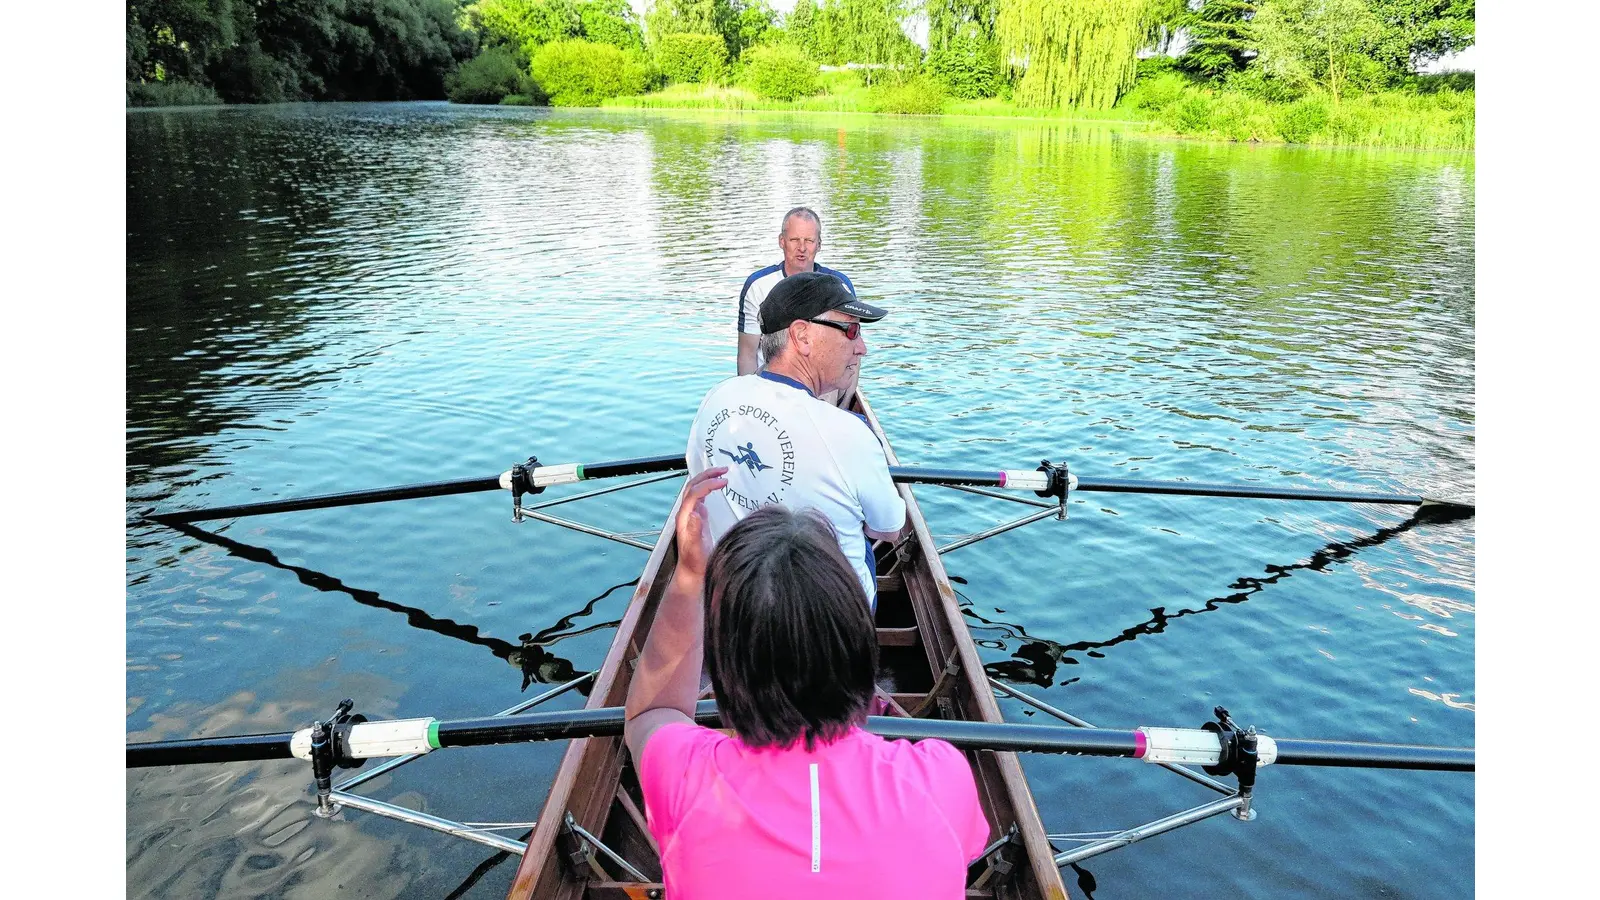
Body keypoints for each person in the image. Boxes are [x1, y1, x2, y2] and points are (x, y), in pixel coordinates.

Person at [624, 469, 991, 899]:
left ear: (724, 667)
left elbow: (651, 712)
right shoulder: (942, 777)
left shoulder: (682, 773)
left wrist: (689, 576)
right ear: (857, 642)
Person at [688, 270, 906, 610]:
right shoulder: (850, 433)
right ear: (801, 335)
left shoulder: (714, 398)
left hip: (734, 606)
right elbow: (890, 530)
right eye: (851, 330)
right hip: (831, 620)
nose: (861, 348)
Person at [737, 208, 858, 406]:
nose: (801, 248)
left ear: (819, 244)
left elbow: (853, 353)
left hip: (824, 394)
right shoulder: (757, 286)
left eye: (809, 241)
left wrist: (842, 411)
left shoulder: (840, 286)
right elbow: (747, 353)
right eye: (794, 240)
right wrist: (750, 405)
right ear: (781, 241)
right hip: (770, 392)